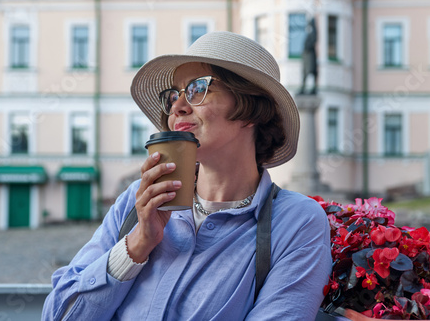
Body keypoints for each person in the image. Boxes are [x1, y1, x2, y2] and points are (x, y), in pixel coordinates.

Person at [42, 31, 332, 321]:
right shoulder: (136, 202)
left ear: (251, 110)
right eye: (174, 95)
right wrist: (137, 244)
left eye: (197, 89)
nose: (177, 108)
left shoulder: (296, 222)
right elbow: (59, 316)